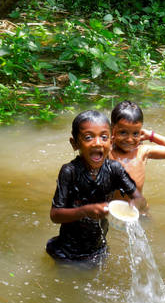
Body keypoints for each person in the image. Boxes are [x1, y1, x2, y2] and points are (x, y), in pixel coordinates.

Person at [46, 110, 145, 262]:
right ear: (75, 144)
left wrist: (134, 205)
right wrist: (84, 211)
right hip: (67, 249)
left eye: (104, 137)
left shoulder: (114, 169)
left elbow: (139, 198)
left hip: (98, 247)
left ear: (111, 142)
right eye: (88, 137)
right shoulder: (69, 171)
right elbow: (55, 215)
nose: (97, 142)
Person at [109, 100, 165, 200]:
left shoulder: (142, 152)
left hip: (136, 209)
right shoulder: (107, 151)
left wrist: (150, 135)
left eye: (135, 133)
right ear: (112, 129)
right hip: (111, 209)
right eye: (123, 132)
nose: (130, 139)